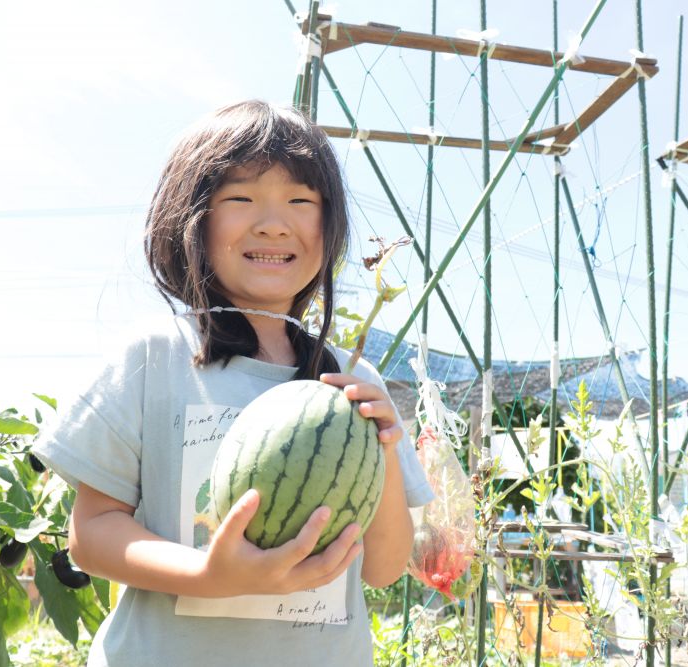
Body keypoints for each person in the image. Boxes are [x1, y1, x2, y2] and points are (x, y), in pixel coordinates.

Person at [33, 100, 433, 666]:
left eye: (300, 200)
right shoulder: (154, 358)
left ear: (329, 226)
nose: (273, 222)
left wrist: (385, 450)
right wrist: (208, 574)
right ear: (193, 220)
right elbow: (92, 534)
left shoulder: (355, 380)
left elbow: (384, 567)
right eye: (242, 198)